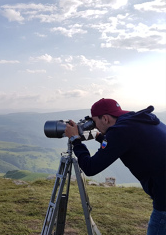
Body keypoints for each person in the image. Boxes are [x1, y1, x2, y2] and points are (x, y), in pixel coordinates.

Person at [65, 98, 166, 235]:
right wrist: (100, 137)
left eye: (94, 122)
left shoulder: (121, 131)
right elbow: (120, 144)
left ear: (105, 119)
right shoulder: (137, 120)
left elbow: (90, 167)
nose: (94, 126)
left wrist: (75, 140)